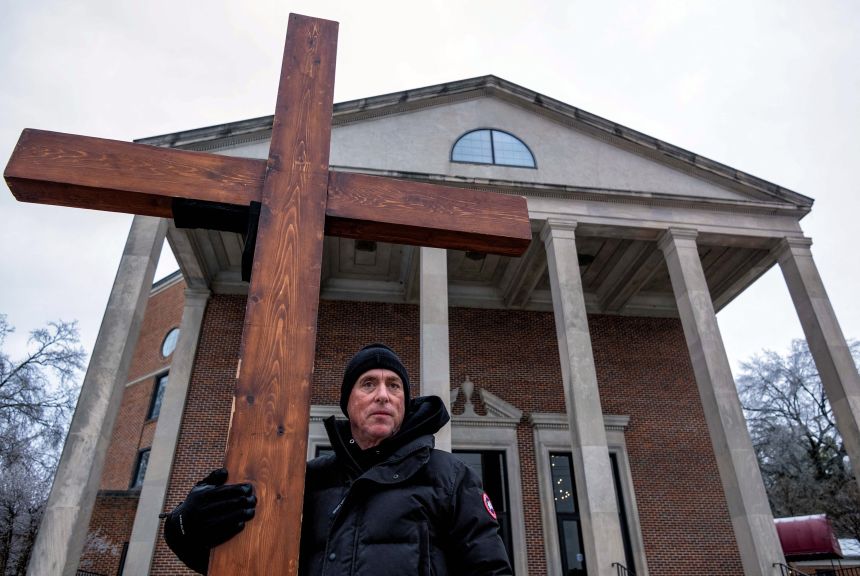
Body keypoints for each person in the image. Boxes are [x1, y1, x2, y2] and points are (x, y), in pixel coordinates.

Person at [164, 343, 512, 575]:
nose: (382, 396)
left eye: (394, 386)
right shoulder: (307, 482)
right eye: (368, 384)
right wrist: (185, 528)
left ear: (405, 404)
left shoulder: (450, 476)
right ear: (348, 403)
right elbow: (241, 563)